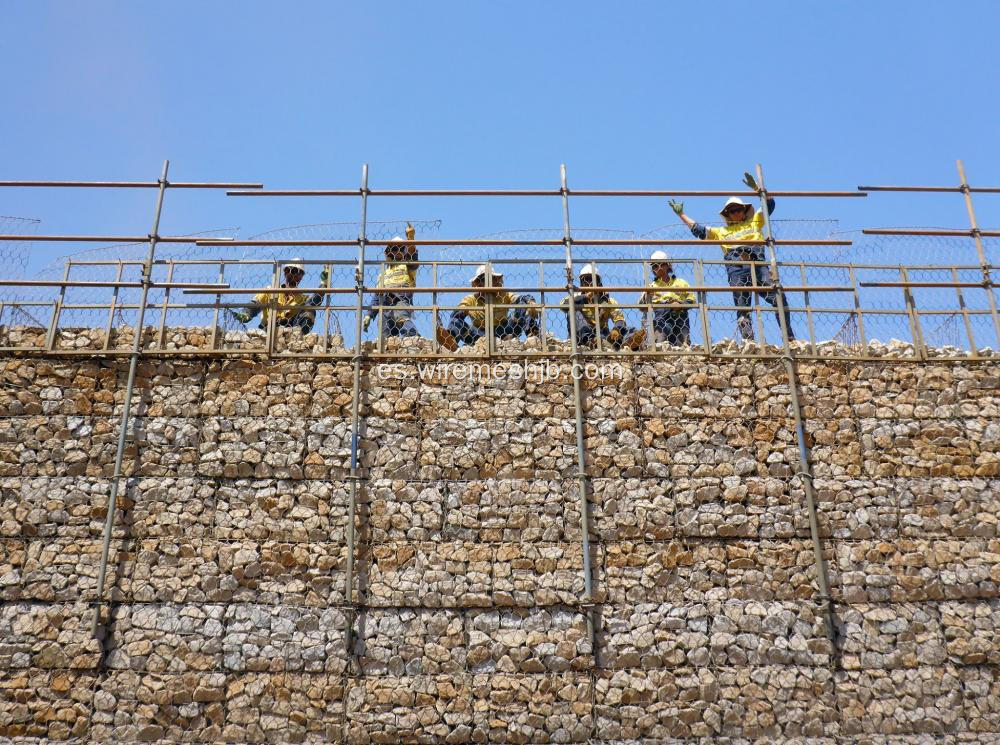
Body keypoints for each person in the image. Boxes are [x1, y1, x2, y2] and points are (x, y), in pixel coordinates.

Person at [668, 171, 794, 341]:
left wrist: (758, 189)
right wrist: (681, 214)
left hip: (757, 263)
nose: (734, 213)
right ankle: (750, 342)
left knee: (778, 297)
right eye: (731, 210)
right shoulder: (722, 232)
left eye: (737, 209)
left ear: (744, 211)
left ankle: (789, 338)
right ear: (727, 214)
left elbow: (769, 205)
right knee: (742, 306)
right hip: (736, 267)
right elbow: (699, 231)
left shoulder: (755, 221)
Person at [438, 265, 539, 349]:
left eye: (489, 279)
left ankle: (532, 335)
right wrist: (464, 310)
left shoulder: (504, 295)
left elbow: (519, 298)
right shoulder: (470, 299)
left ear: (495, 281)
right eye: (482, 280)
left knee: (523, 304)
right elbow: (457, 314)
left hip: (505, 329)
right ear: (477, 284)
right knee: (456, 319)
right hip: (479, 334)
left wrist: (530, 301)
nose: (486, 283)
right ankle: (450, 341)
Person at [229, 258, 328, 334]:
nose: (292, 274)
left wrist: (324, 284)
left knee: (310, 309)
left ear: (301, 276)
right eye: (290, 270)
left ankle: (299, 338)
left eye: (297, 272)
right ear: (285, 272)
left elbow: (315, 301)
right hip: (269, 328)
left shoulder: (302, 298)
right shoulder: (270, 291)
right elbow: (256, 303)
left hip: (291, 329)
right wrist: (247, 314)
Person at [561, 263, 645, 350]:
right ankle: (590, 340)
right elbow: (563, 305)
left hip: (601, 336)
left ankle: (628, 342)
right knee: (573, 309)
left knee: (629, 329)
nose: (588, 283)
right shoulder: (576, 296)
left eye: (591, 279)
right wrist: (585, 297)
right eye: (585, 280)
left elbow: (619, 319)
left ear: (599, 283)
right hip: (581, 335)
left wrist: (616, 329)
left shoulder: (608, 301)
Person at [362, 223, 419, 338]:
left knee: (401, 315)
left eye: (399, 249)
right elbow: (377, 296)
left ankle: (413, 339)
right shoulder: (383, 273)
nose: (395, 252)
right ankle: (388, 349)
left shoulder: (406, 266)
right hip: (386, 304)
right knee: (383, 326)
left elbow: (412, 257)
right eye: (393, 249)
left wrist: (411, 239)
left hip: (401, 300)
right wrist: (369, 314)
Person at [638, 251, 695, 345]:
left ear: (668, 265)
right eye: (655, 266)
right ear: (652, 269)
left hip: (680, 317)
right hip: (661, 318)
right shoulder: (651, 287)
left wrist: (680, 304)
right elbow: (641, 307)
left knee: (682, 347)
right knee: (660, 344)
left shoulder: (681, 283)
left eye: (661, 264)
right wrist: (646, 297)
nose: (658, 268)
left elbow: (692, 300)